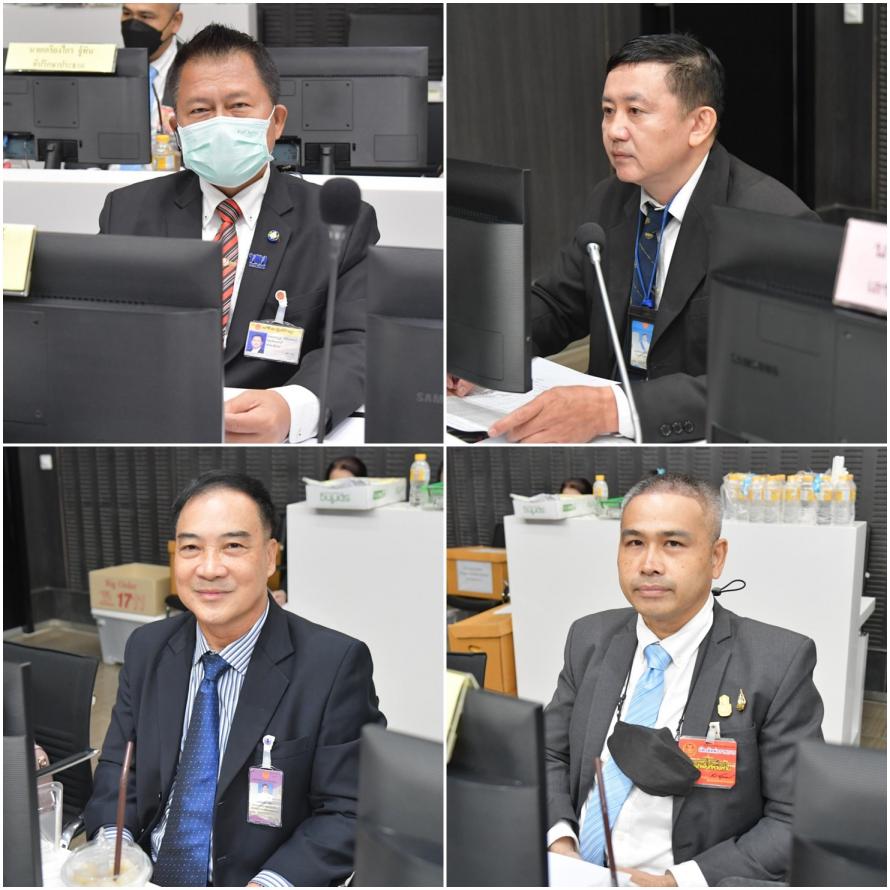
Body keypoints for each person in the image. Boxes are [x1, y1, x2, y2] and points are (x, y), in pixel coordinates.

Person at [449, 34, 818, 443]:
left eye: (635, 111)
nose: (614, 130)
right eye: (608, 111)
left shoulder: (775, 224)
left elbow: (772, 384)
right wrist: (481, 349)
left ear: (699, 124)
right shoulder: (611, 198)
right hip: (602, 442)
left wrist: (615, 409)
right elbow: (558, 303)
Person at [83, 471, 386, 886]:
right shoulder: (147, 647)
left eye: (233, 546)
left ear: (270, 557)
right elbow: (120, 768)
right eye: (191, 547)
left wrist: (268, 884)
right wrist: (114, 852)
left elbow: (350, 809)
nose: (209, 569)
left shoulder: (333, 665)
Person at [98, 24, 380, 443]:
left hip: (271, 433)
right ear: (175, 126)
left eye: (239, 106)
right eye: (200, 110)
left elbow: (357, 343)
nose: (221, 124)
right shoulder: (127, 213)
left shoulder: (338, 221)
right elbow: (102, 336)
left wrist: (292, 407)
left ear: (276, 121)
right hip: (155, 422)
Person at [545, 473, 823, 885]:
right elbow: (549, 754)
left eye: (673, 544)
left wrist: (680, 880)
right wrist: (560, 841)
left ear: (716, 557)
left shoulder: (777, 664)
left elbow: (794, 818)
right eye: (634, 543)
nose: (649, 564)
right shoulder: (589, 638)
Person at [120, 3, 183, 136]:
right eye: (127, 13)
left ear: (175, 21)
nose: (133, 25)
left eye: (145, 16)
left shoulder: (197, 70)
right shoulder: (109, 68)